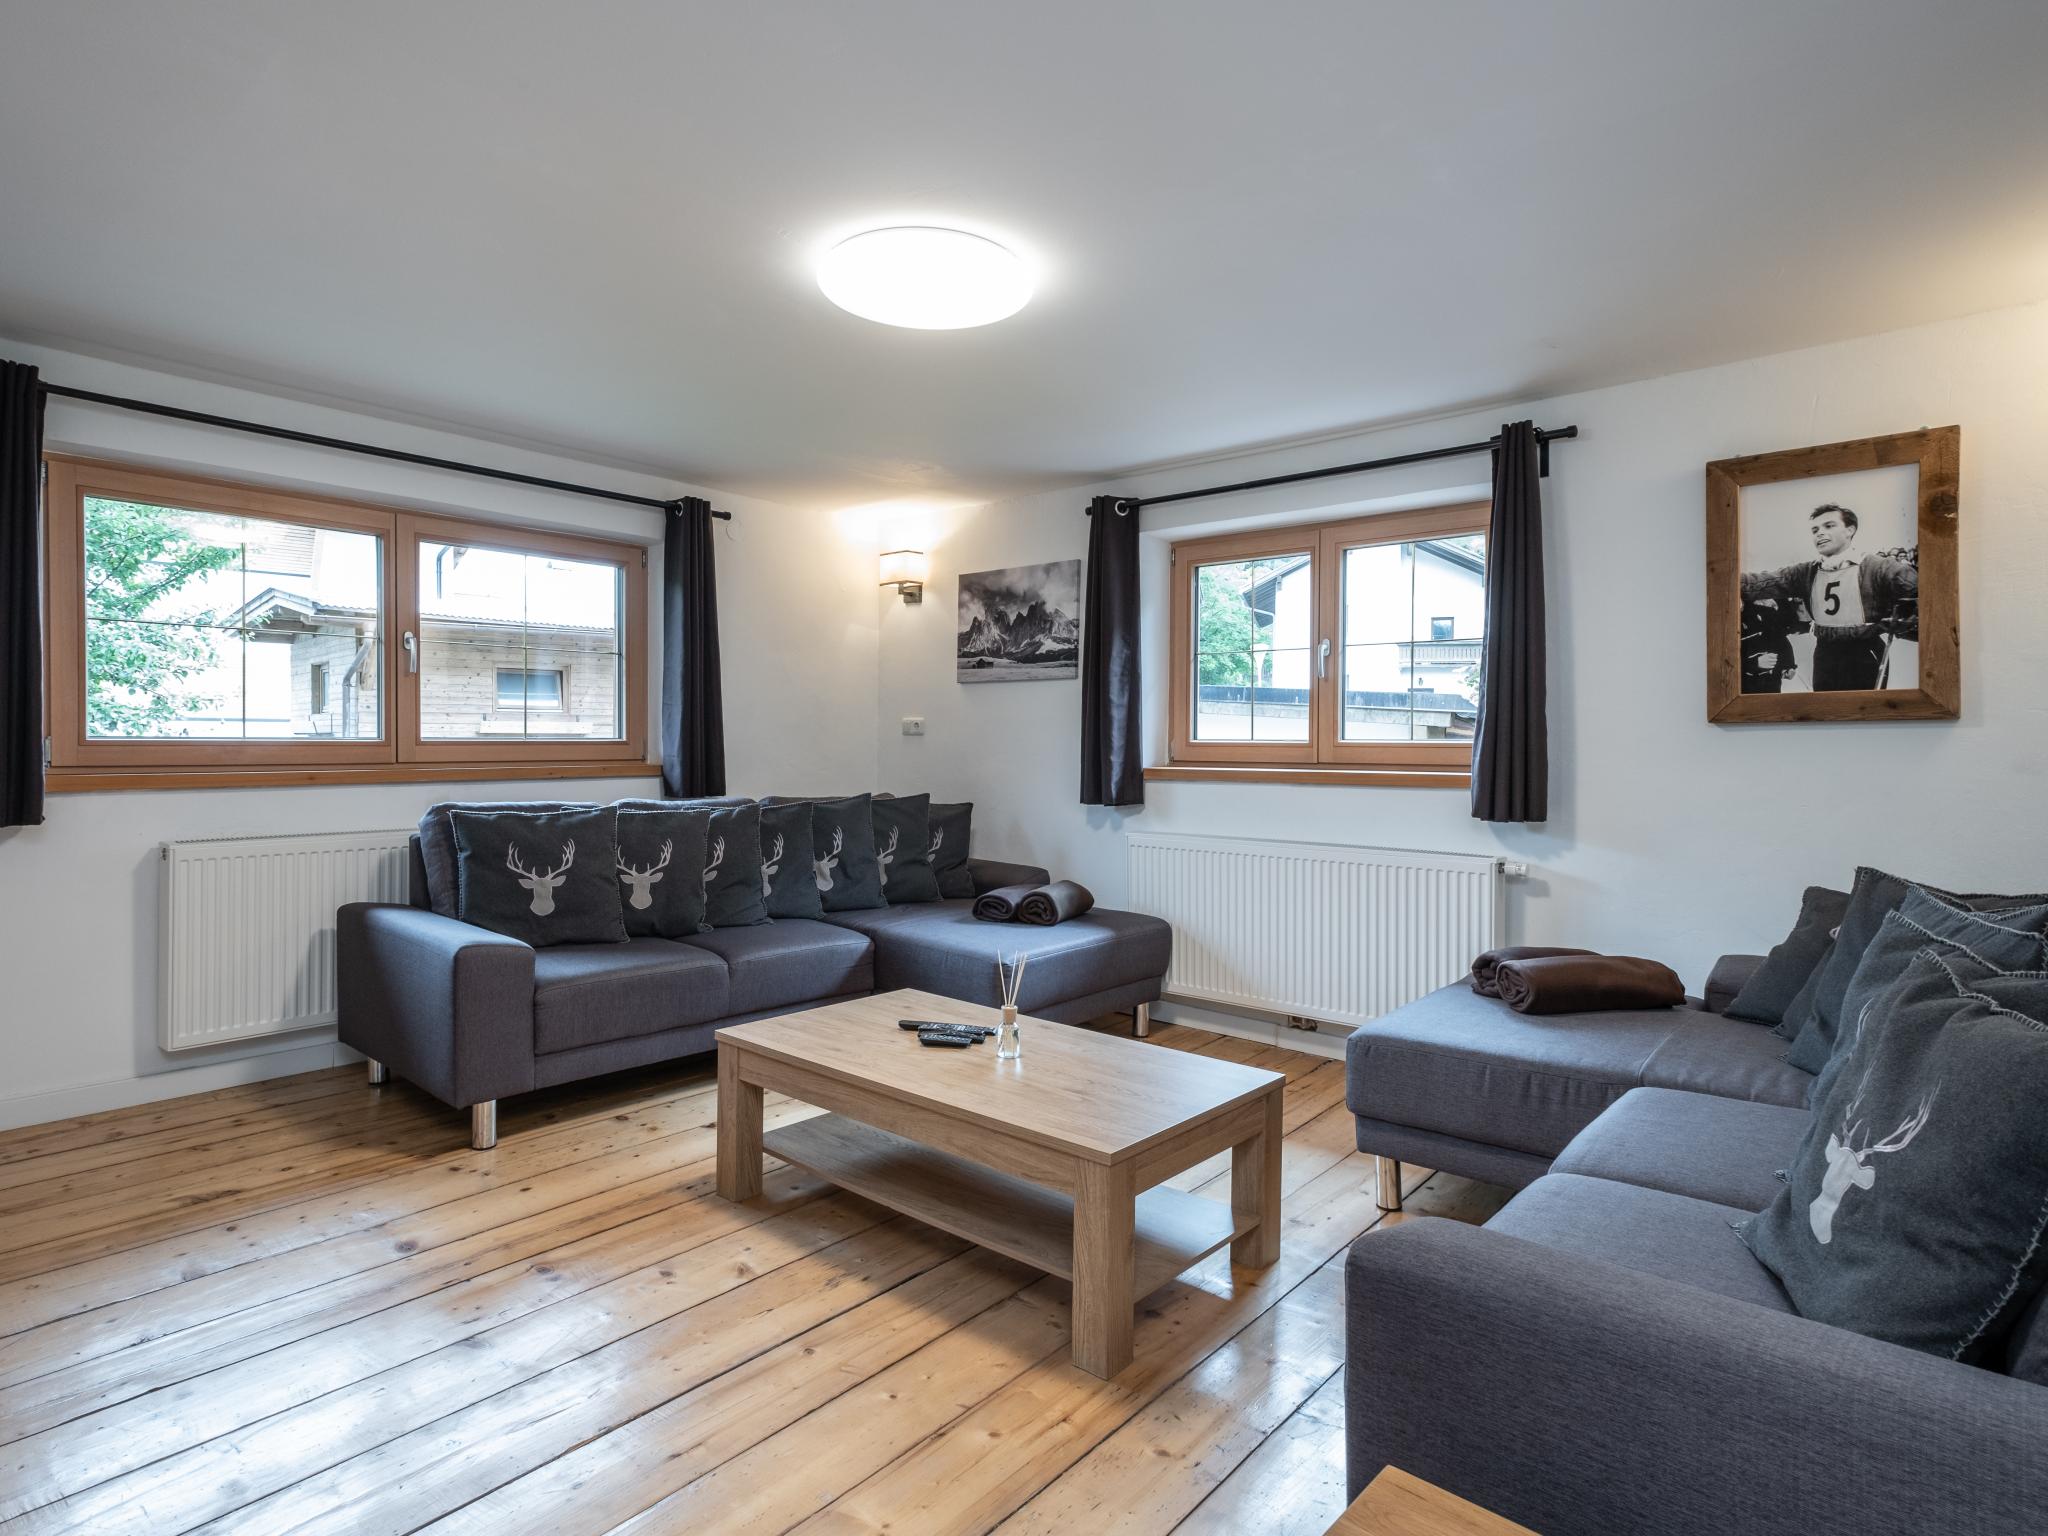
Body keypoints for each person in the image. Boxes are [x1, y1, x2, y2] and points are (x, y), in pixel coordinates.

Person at [1740, 503, 1916, 691]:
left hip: (1865, 651)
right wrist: (1723, 581)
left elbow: (1921, 595)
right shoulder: (1807, 572)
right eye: (1815, 530)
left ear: (1850, 530)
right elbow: (1757, 583)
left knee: (1863, 713)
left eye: (1829, 526)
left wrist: (1901, 621)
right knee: (1827, 711)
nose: (1820, 533)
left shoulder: (1878, 567)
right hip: (1825, 652)